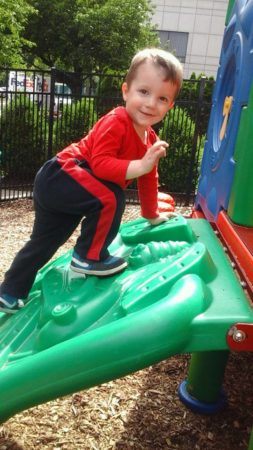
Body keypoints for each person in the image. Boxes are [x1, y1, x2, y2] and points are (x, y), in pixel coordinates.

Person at [0, 48, 183, 314]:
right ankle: (88, 257)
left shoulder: (150, 140)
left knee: (46, 241)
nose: (151, 103)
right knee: (110, 197)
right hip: (62, 174)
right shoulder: (116, 121)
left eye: (162, 98)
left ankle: (9, 292)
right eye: (143, 92)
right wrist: (141, 164)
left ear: (170, 106)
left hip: (72, 187)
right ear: (125, 91)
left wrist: (152, 215)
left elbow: (148, 178)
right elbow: (101, 164)